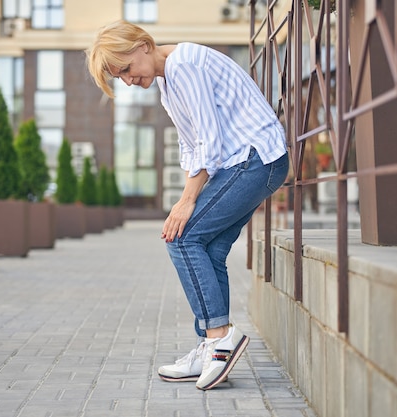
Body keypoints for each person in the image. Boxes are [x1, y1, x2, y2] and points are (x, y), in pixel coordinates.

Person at [87, 20, 289, 390]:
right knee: (206, 247)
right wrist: (185, 196)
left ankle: (219, 339)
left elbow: (209, 141)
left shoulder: (186, 65)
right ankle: (213, 346)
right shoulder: (168, 82)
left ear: (142, 46)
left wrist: (187, 201)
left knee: (181, 239)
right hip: (245, 163)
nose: (129, 81)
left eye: (127, 70)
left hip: (256, 159)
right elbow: (190, 145)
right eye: (121, 78)